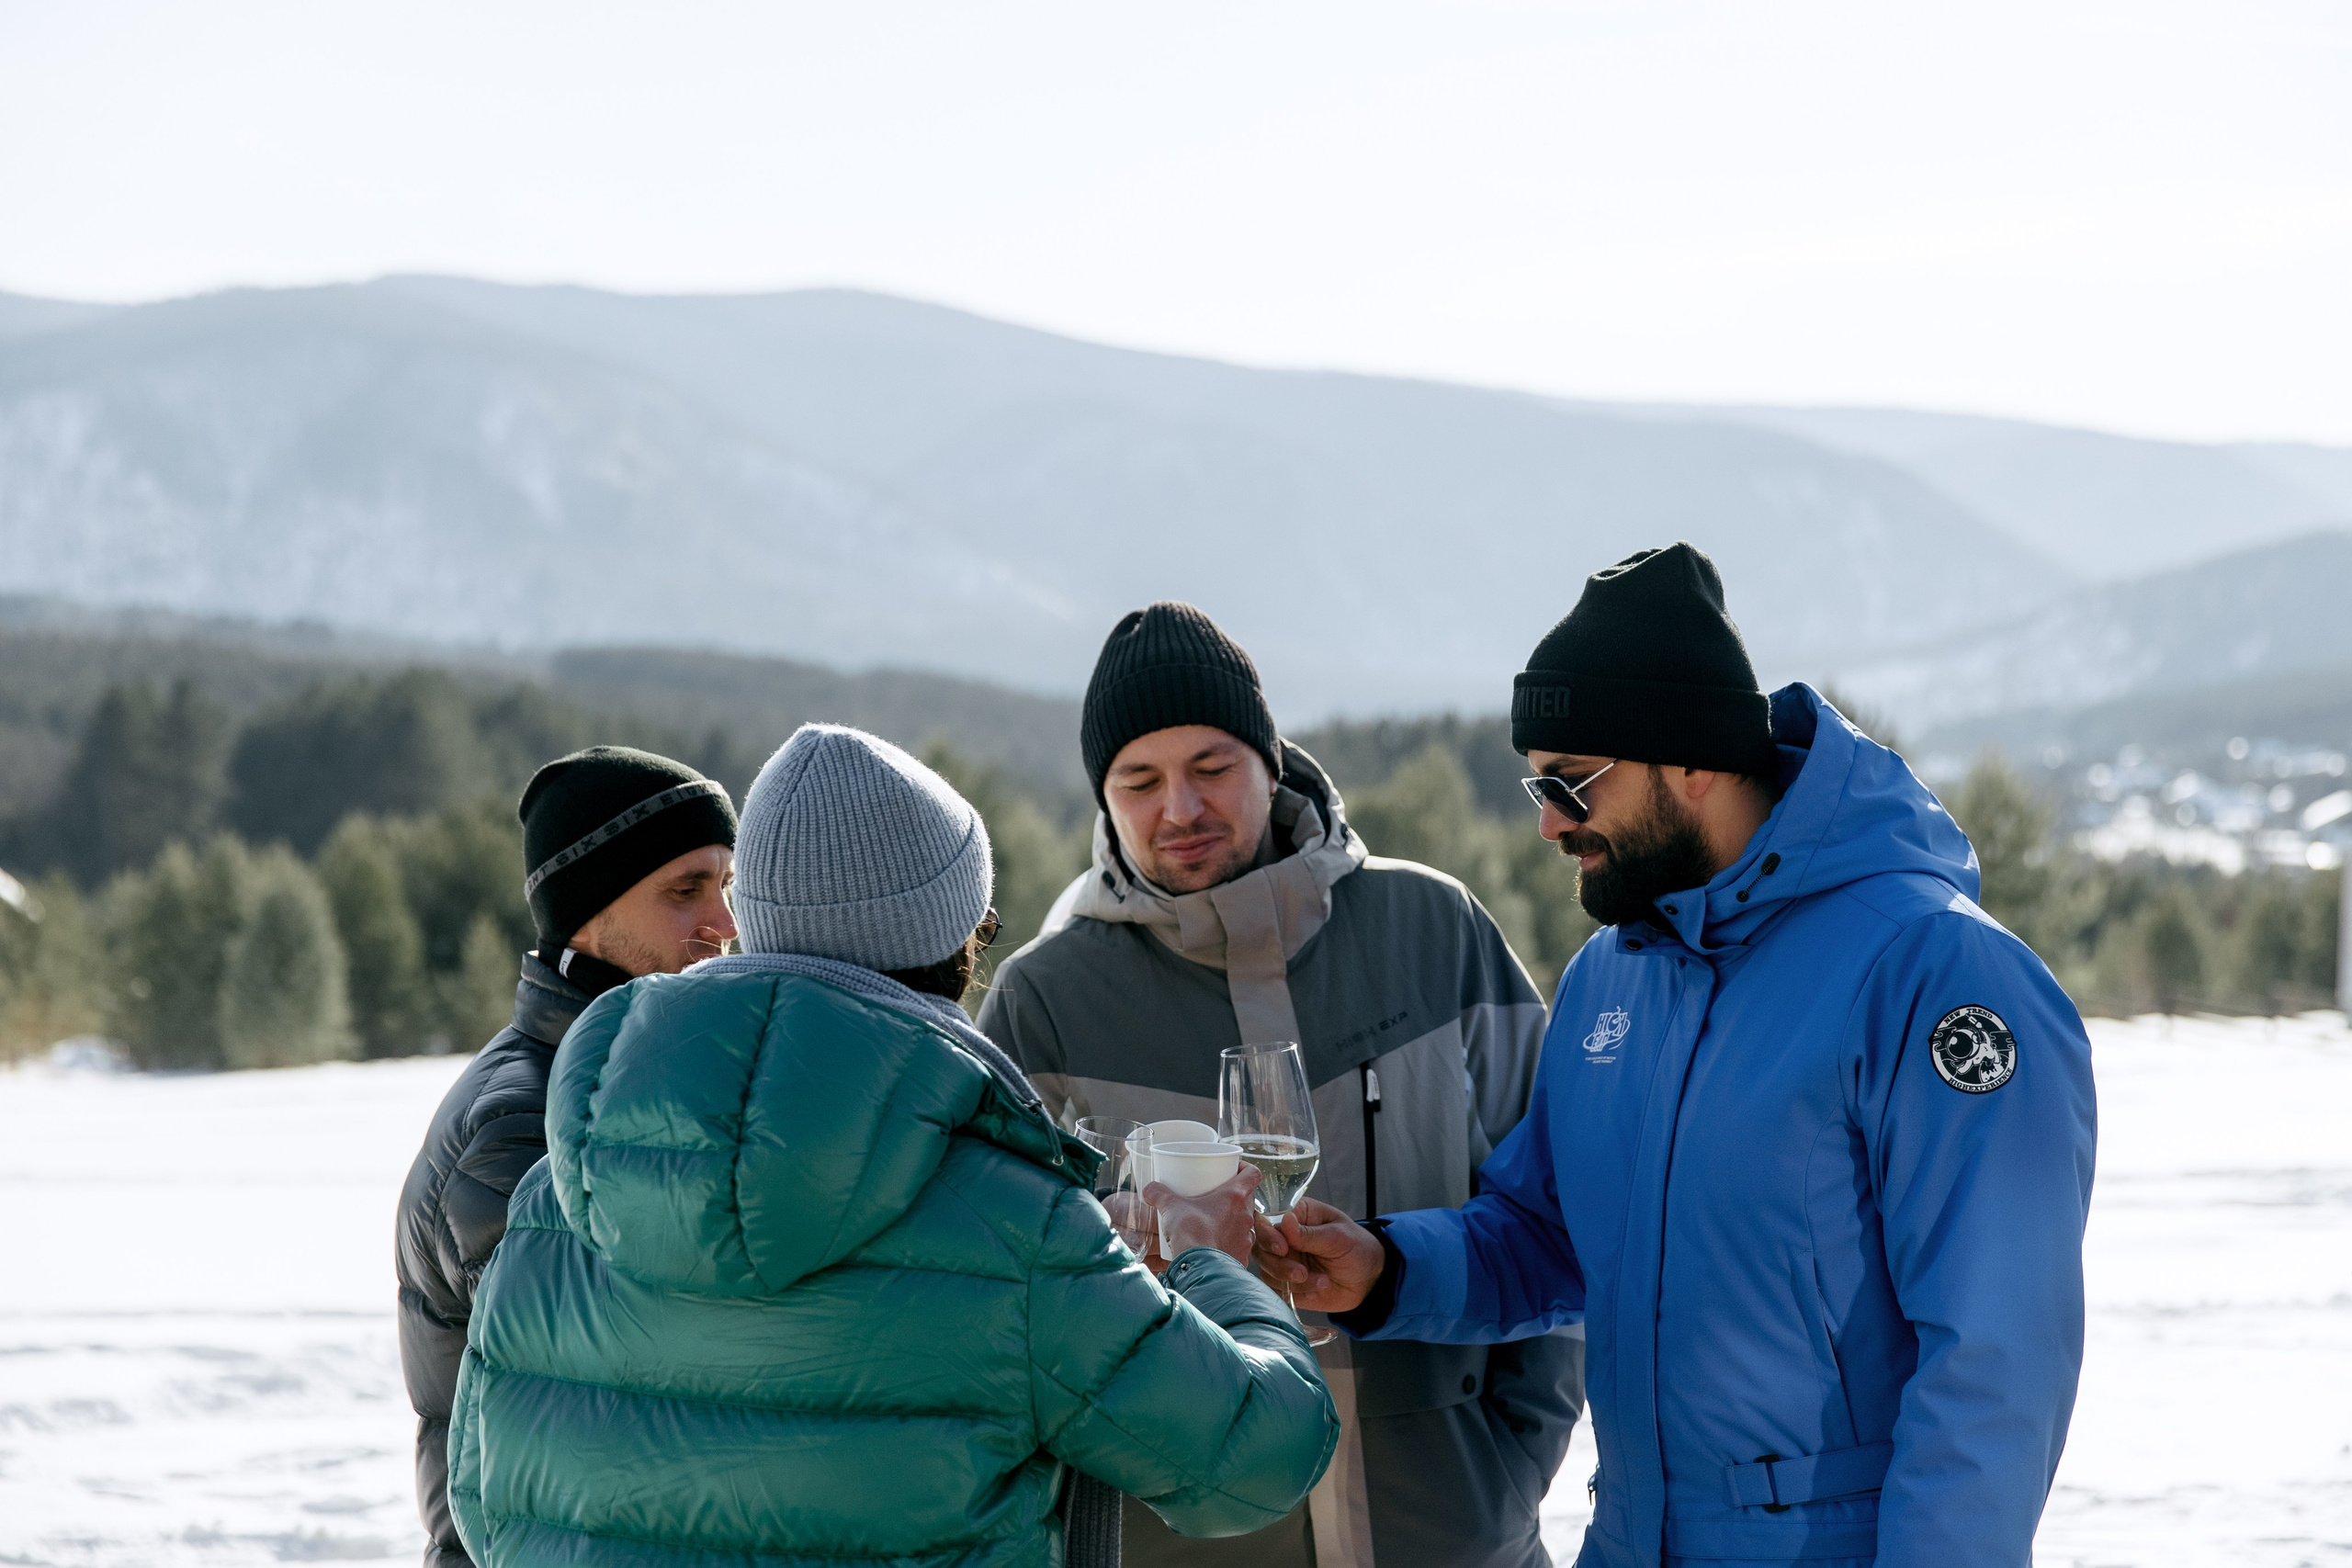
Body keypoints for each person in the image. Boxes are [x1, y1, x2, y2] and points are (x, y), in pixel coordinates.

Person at [1259, 543, 2099, 1568]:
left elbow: (1995, 1364)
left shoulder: (1936, 975)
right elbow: (1548, 1235)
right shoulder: (1611, 979)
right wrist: (1387, 1268)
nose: (1550, 827)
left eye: (1573, 786)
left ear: (1693, 760)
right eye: (1537, 791)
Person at [444, 724, 1339, 1566]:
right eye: (979, 928)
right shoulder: (1009, 1225)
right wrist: (1206, 1264)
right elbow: (1255, 1457)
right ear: (945, 939)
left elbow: (485, 1503)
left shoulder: (558, 1192)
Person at [977, 603, 1584, 1568]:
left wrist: (1508, 1470)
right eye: (1139, 780)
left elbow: (1564, 1207)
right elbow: (995, 1309)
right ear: (1105, 798)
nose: (1179, 808)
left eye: (1212, 768)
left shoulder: (1436, 932)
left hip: (1453, 1535)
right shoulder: (1043, 1001)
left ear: (1271, 760)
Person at [394, 745, 740, 1568]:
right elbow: (610, 1407)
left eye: (728, 885)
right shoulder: (519, 1127)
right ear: (586, 913)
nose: (724, 924)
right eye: (685, 891)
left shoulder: (647, 1079)